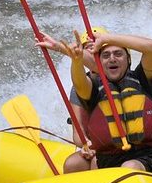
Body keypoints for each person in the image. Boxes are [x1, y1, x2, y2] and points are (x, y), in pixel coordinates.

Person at [58, 29, 152, 177]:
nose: (112, 59)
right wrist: (75, 61)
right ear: (99, 63)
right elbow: (79, 81)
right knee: (79, 164)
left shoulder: (142, 80)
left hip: (146, 157)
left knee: (129, 167)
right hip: (107, 158)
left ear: (128, 60)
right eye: (105, 55)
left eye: (118, 54)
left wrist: (108, 39)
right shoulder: (91, 89)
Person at [35, 28, 106, 173]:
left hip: (121, 146)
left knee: (97, 162)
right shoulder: (79, 88)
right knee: (72, 164)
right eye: (86, 49)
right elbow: (78, 134)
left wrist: (59, 47)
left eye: (96, 50)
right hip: (96, 146)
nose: (91, 54)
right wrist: (87, 144)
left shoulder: (117, 77)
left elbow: (96, 63)